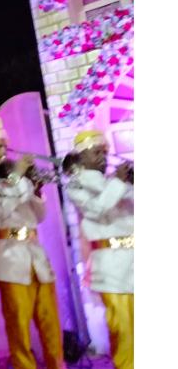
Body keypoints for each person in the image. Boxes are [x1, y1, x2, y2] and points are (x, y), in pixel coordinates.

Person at [0, 115, 65, 369]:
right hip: (9, 259)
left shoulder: (16, 176)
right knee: (18, 326)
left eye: (4, 145)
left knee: (51, 322)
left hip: (36, 256)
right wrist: (17, 179)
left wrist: (36, 190)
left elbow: (40, 216)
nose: (4, 150)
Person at [66, 130, 133, 369]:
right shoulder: (75, 184)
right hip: (110, 265)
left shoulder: (114, 181)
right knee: (123, 328)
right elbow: (97, 208)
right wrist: (119, 182)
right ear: (81, 157)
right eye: (96, 152)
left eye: (104, 152)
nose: (103, 157)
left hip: (134, 259)